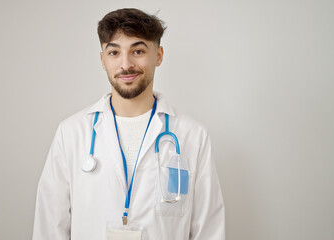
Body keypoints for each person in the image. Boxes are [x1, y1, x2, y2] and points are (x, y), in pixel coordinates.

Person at [33, 8, 225, 240]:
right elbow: (50, 228)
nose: (126, 64)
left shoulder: (192, 136)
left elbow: (209, 229)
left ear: (159, 55)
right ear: (103, 60)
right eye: (114, 52)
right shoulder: (71, 133)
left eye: (138, 50)